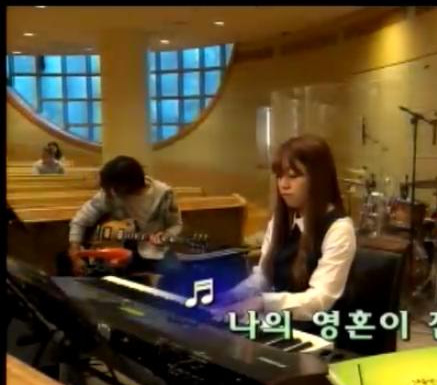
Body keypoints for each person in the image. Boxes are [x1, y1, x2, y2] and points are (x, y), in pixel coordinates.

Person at [211, 135, 357, 323]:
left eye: (293, 176)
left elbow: (320, 299)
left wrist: (263, 303)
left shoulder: (339, 229)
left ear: (318, 179)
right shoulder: (281, 221)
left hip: (316, 329)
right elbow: (264, 277)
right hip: (278, 320)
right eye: (280, 176)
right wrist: (230, 296)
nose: (283, 185)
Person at [64, 155, 183, 276]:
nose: (111, 191)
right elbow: (80, 220)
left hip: (154, 250)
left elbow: (176, 225)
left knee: (174, 272)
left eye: (115, 187)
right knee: (105, 276)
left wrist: (165, 235)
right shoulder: (111, 192)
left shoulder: (163, 194)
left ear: (128, 184)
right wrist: (74, 248)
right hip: (118, 247)